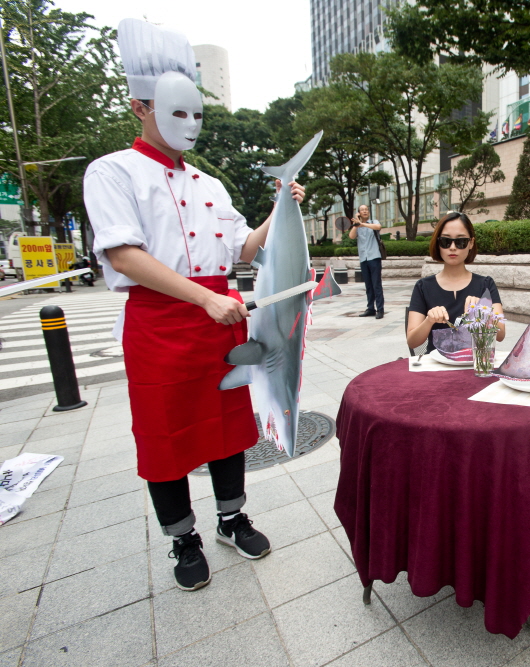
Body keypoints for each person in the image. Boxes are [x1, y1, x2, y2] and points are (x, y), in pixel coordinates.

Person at [83, 19, 303, 591]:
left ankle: (232, 519)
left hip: (219, 322)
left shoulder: (210, 183)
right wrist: (204, 297)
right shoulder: (112, 171)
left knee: (229, 428)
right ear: (141, 107)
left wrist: (281, 208)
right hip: (160, 326)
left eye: (197, 114)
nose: (190, 124)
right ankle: (184, 538)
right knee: (166, 435)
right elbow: (125, 255)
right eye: (176, 112)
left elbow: (243, 247)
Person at [407, 211, 505, 352]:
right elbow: (412, 342)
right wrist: (429, 320)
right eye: (446, 241)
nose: (452, 247)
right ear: (438, 243)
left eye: (460, 242)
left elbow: (500, 335)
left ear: (471, 243)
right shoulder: (423, 286)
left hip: (474, 361)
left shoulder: (485, 284)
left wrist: (482, 312)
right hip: (436, 362)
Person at [350, 204, 384, 319]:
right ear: (359, 213)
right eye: (362, 210)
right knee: (368, 286)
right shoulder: (357, 226)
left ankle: (380, 309)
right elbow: (351, 236)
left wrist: (363, 224)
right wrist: (357, 224)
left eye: (366, 209)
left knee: (376, 284)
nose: (365, 211)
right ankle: (370, 308)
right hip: (363, 258)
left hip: (374, 257)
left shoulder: (374, 222)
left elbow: (378, 227)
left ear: (368, 212)